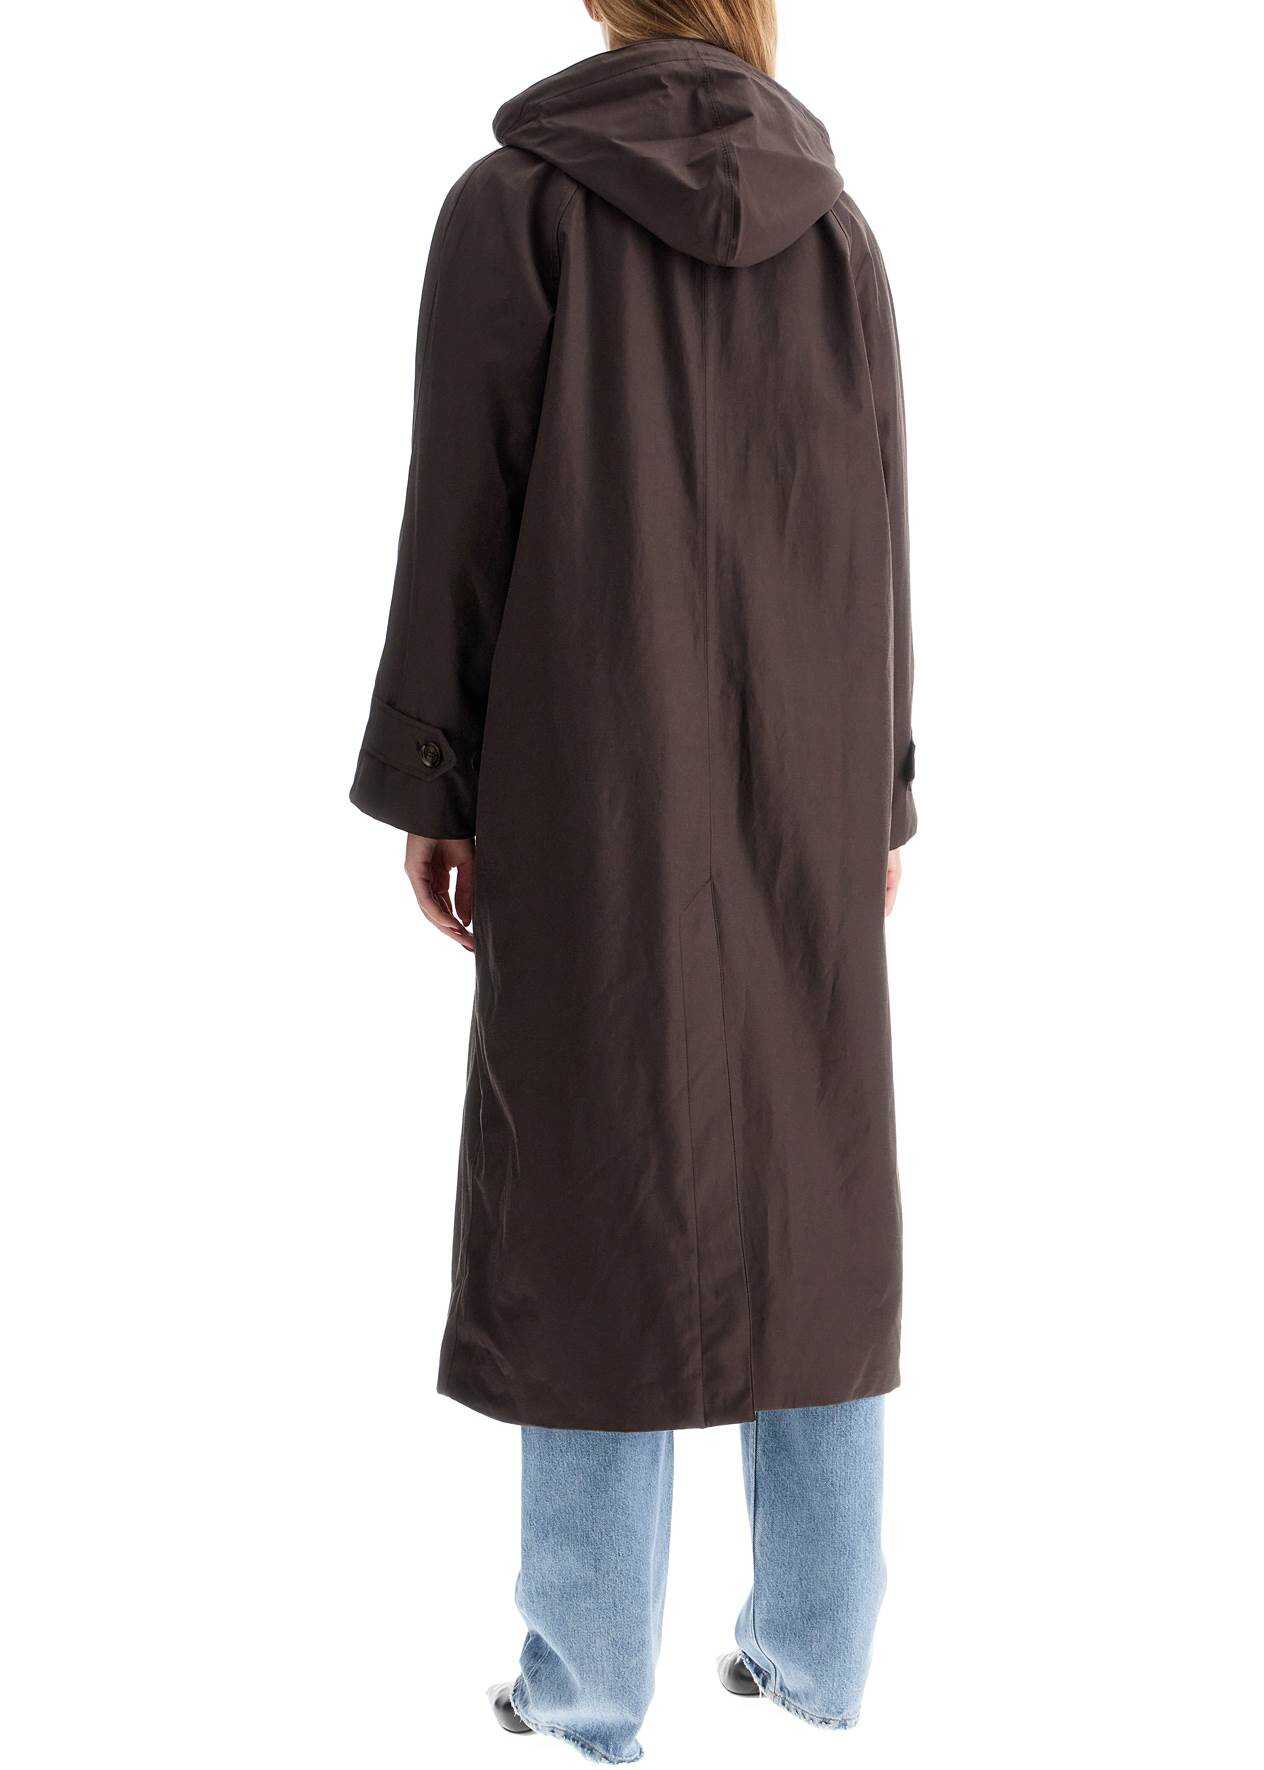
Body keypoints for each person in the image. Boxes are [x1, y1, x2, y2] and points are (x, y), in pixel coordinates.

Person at [349, 0, 916, 1758]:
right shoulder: (837, 228)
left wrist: (435, 779)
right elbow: (880, 523)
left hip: (584, 771)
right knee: (814, 1193)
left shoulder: (516, 204)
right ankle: (818, 1649)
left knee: (588, 1194)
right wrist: (879, 797)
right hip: (810, 768)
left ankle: (587, 1685)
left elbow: (462, 510)